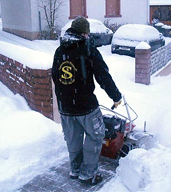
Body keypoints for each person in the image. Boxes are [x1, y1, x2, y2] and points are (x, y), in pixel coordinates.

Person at [52, 16, 122, 185]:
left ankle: (75, 169)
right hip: (86, 107)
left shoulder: (60, 51)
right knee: (96, 135)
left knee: (73, 139)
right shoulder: (88, 49)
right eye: (87, 34)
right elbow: (103, 76)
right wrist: (116, 96)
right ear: (84, 33)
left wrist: (66, 96)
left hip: (65, 108)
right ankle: (88, 173)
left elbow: (55, 76)